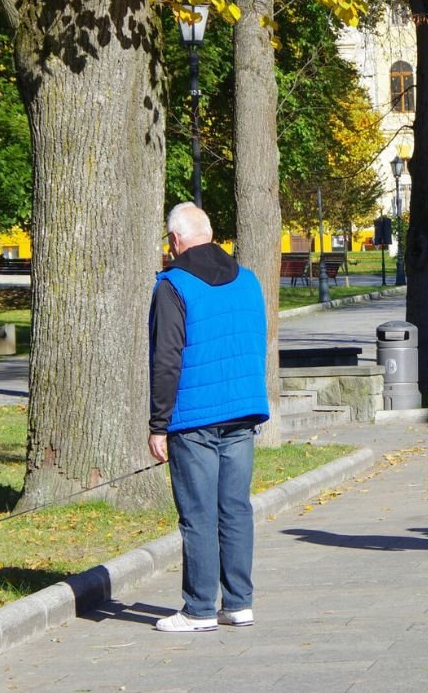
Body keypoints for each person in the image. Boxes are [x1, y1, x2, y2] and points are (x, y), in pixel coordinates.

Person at [149, 202, 270, 632]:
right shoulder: (249, 280)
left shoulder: (173, 285)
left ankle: (199, 609)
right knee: (235, 509)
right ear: (210, 232)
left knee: (198, 514)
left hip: (193, 417)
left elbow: (167, 359)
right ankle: (238, 603)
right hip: (242, 409)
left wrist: (158, 423)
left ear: (176, 240)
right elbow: (255, 339)